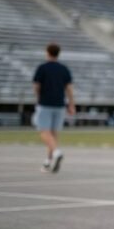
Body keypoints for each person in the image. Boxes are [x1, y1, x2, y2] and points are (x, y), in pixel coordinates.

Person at [32, 43, 74, 172]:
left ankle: (56, 153)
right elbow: (69, 89)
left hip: (45, 104)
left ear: (47, 52)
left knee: (44, 131)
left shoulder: (42, 68)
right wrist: (71, 104)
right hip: (60, 105)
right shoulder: (64, 69)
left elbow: (36, 86)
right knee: (53, 135)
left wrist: (38, 98)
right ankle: (48, 162)